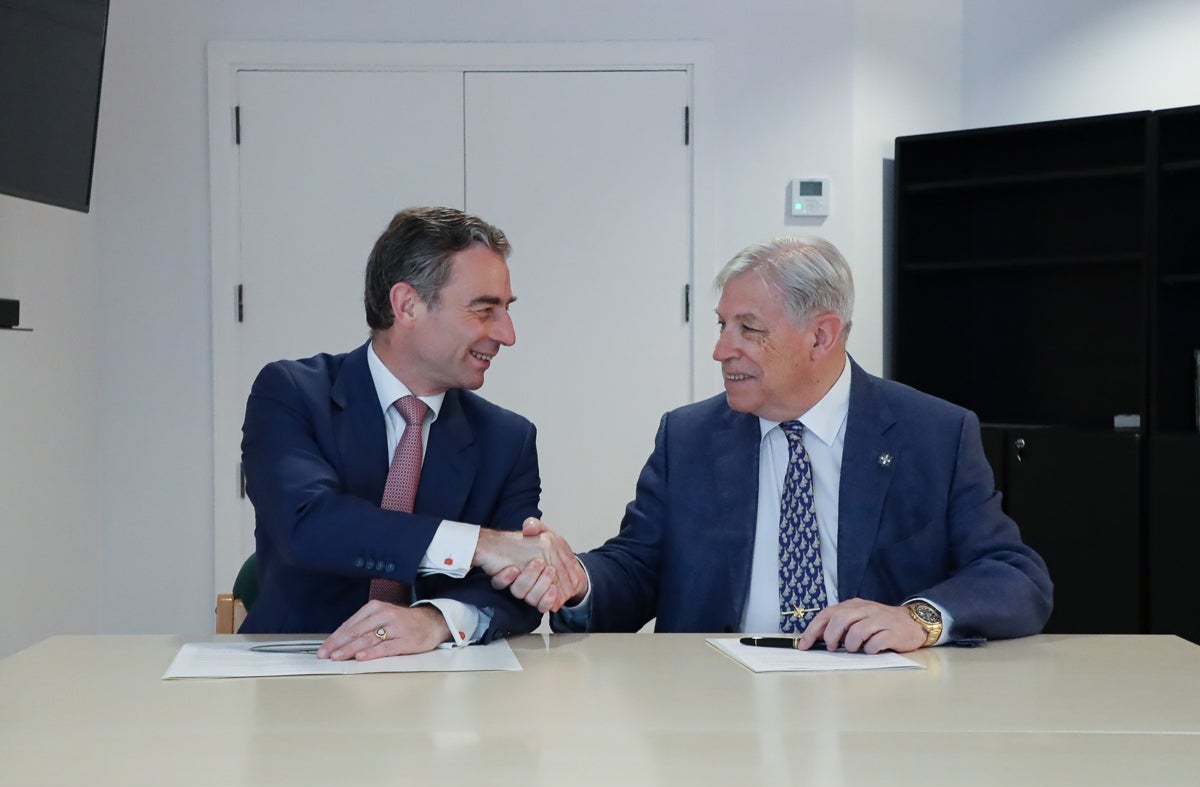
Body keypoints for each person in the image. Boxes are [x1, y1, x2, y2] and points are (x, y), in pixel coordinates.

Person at [534, 234, 1052, 653]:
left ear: (821, 337)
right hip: (716, 703)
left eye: (749, 329)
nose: (720, 350)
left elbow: (1015, 576)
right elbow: (638, 568)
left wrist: (916, 619)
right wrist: (577, 580)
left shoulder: (932, 433)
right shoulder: (688, 437)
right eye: (722, 325)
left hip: (880, 710)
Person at [239, 206, 582, 659]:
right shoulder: (292, 393)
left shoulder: (507, 438)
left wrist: (436, 620)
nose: (507, 334)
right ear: (407, 305)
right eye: (484, 310)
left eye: (506, 310)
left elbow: (514, 590)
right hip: (300, 668)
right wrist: (480, 545)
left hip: (448, 694)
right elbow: (307, 524)